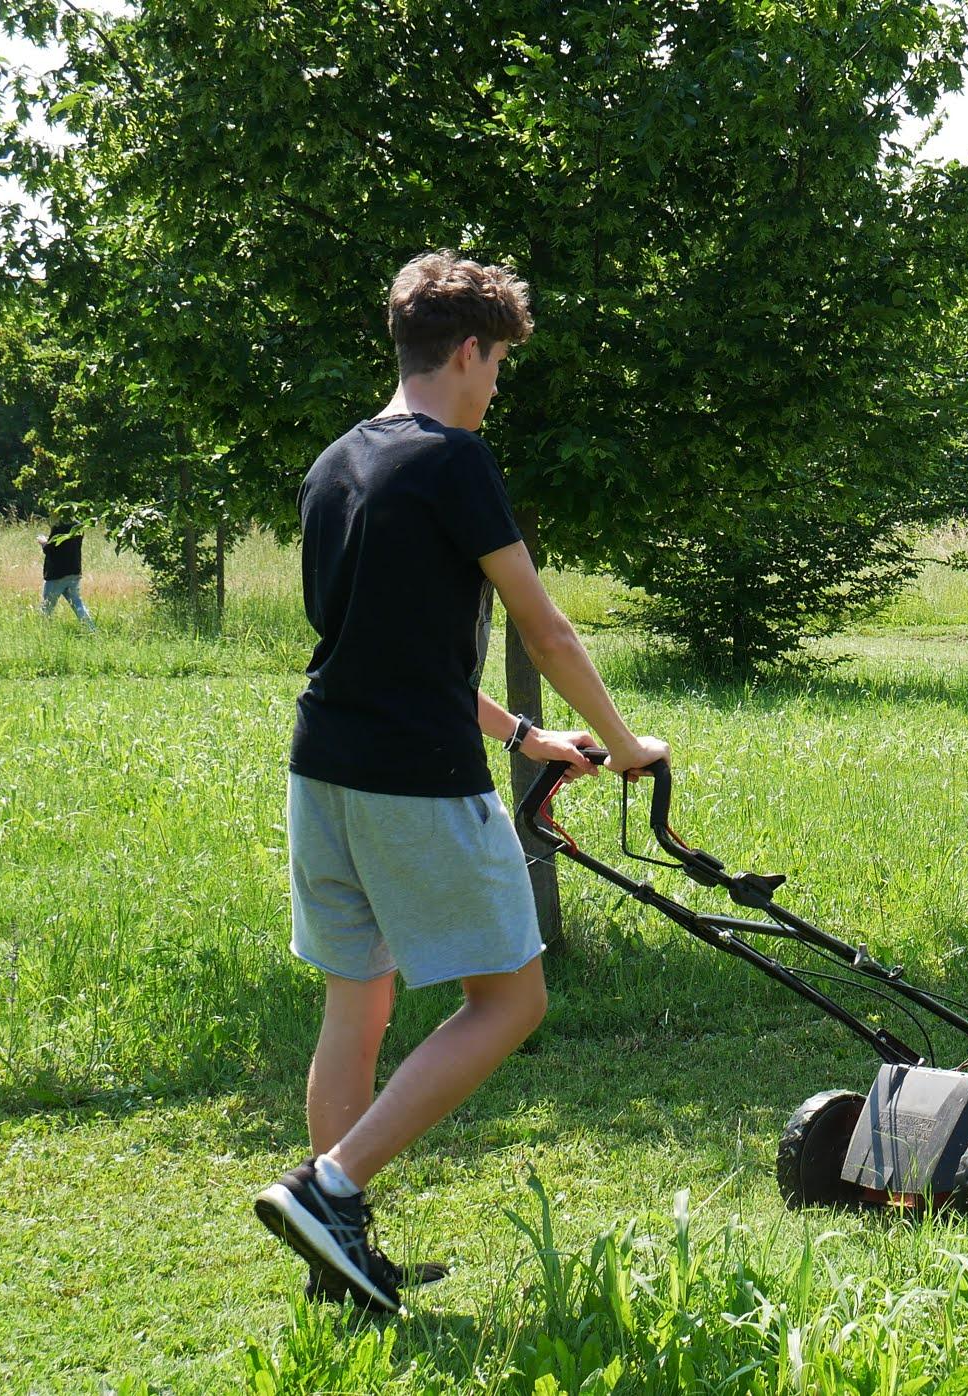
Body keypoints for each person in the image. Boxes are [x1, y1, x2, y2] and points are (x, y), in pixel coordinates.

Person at [253, 251, 669, 1313]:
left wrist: (521, 731)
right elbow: (543, 622)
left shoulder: (336, 462)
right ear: (470, 349)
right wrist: (621, 741)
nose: (493, 391)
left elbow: (382, 647)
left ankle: (333, 1263)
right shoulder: (452, 460)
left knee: (360, 1000)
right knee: (511, 997)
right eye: (496, 368)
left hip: (324, 767)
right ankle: (331, 1187)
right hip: (411, 779)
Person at [37, 517, 94, 629]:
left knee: (47, 608)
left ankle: (41, 634)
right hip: (74, 571)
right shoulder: (78, 526)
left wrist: (43, 542)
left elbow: (50, 550)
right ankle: (92, 630)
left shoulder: (59, 527)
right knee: (78, 604)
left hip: (57, 574)